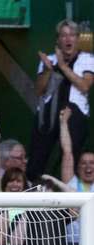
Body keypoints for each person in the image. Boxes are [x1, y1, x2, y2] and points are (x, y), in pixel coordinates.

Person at [29, 19, 94, 182]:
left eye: (72, 35)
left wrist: (63, 66)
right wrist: (47, 70)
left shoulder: (87, 59)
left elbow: (85, 86)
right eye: (63, 35)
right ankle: (36, 191)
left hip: (74, 113)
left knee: (70, 157)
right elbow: (38, 91)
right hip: (48, 114)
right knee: (38, 159)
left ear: (78, 39)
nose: (68, 39)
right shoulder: (49, 59)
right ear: (58, 39)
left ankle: (69, 198)